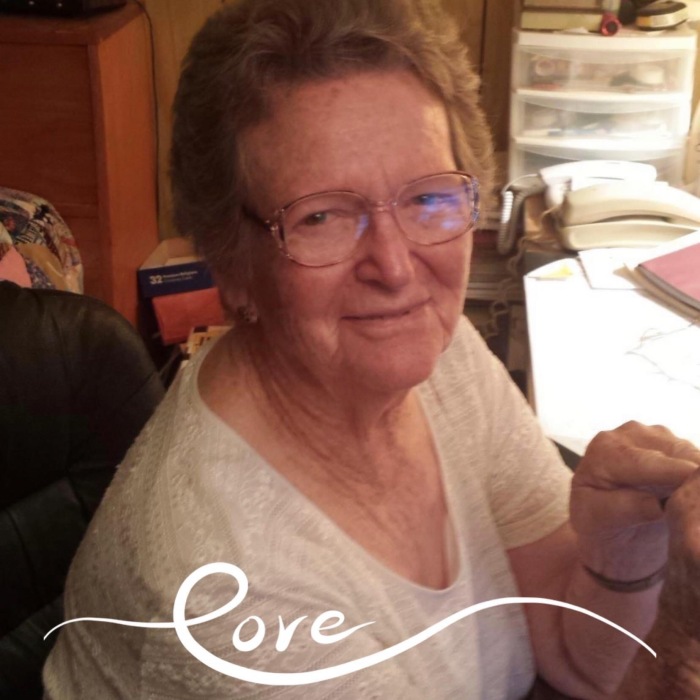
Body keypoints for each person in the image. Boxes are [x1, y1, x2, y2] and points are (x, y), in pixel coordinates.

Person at [42, 0, 700, 697]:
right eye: (322, 216)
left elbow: (572, 652)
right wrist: (682, 645)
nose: (395, 267)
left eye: (426, 199)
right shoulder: (227, 595)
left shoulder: (441, 359)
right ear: (231, 262)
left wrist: (620, 556)